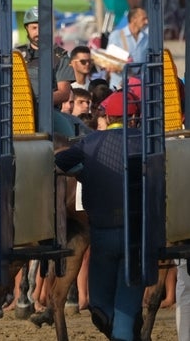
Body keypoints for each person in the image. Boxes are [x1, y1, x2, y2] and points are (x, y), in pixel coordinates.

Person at [54, 91, 144, 341]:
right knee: (125, 317)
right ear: (134, 117)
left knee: (100, 307)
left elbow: (59, 163)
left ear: (107, 116)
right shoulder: (149, 142)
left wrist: (84, 173)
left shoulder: (90, 143)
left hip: (103, 235)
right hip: (137, 237)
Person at [17, 6, 75, 135]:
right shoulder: (16, 55)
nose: (38, 32)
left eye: (42, 27)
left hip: (48, 114)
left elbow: (64, 92)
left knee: (68, 137)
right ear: (27, 28)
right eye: (34, 28)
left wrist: (35, 103)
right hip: (17, 114)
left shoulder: (59, 56)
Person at [107, 7, 149, 91]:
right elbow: (109, 62)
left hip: (139, 87)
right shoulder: (116, 36)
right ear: (134, 19)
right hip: (119, 86)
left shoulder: (146, 38)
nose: (146, 22)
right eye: (143, 19)